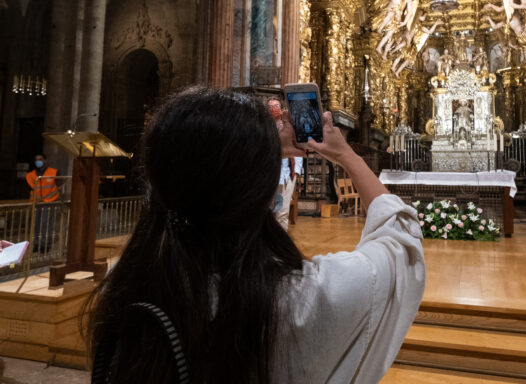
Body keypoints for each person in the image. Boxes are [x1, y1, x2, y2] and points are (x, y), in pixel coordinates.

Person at [87, 87, 425, 383]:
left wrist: (252, 149)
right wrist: (344, 153)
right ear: (263, 190)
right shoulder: (305, 301)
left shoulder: (128, 281)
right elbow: (400, 235)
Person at [267, 97, 303, 229]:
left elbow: (297, 147)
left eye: (276, 106)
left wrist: (297, 171)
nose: (273, 109)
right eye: (270, 107)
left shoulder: (289, 128)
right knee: (269, 209)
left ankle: (280, 242)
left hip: (287, 174)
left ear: (281, 110)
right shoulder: (265, 127)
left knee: (282, 211)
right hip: (269, 174)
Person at [26, 153, 59, 252]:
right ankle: (36, 244)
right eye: (36, 160)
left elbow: (60, 185)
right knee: (35, 225)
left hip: (49, 203)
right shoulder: (30, 175)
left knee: (46, 224)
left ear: (45, 160)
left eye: (40, 159)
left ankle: (44, 245)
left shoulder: (54, 172)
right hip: (36, 203)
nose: (38, 162)